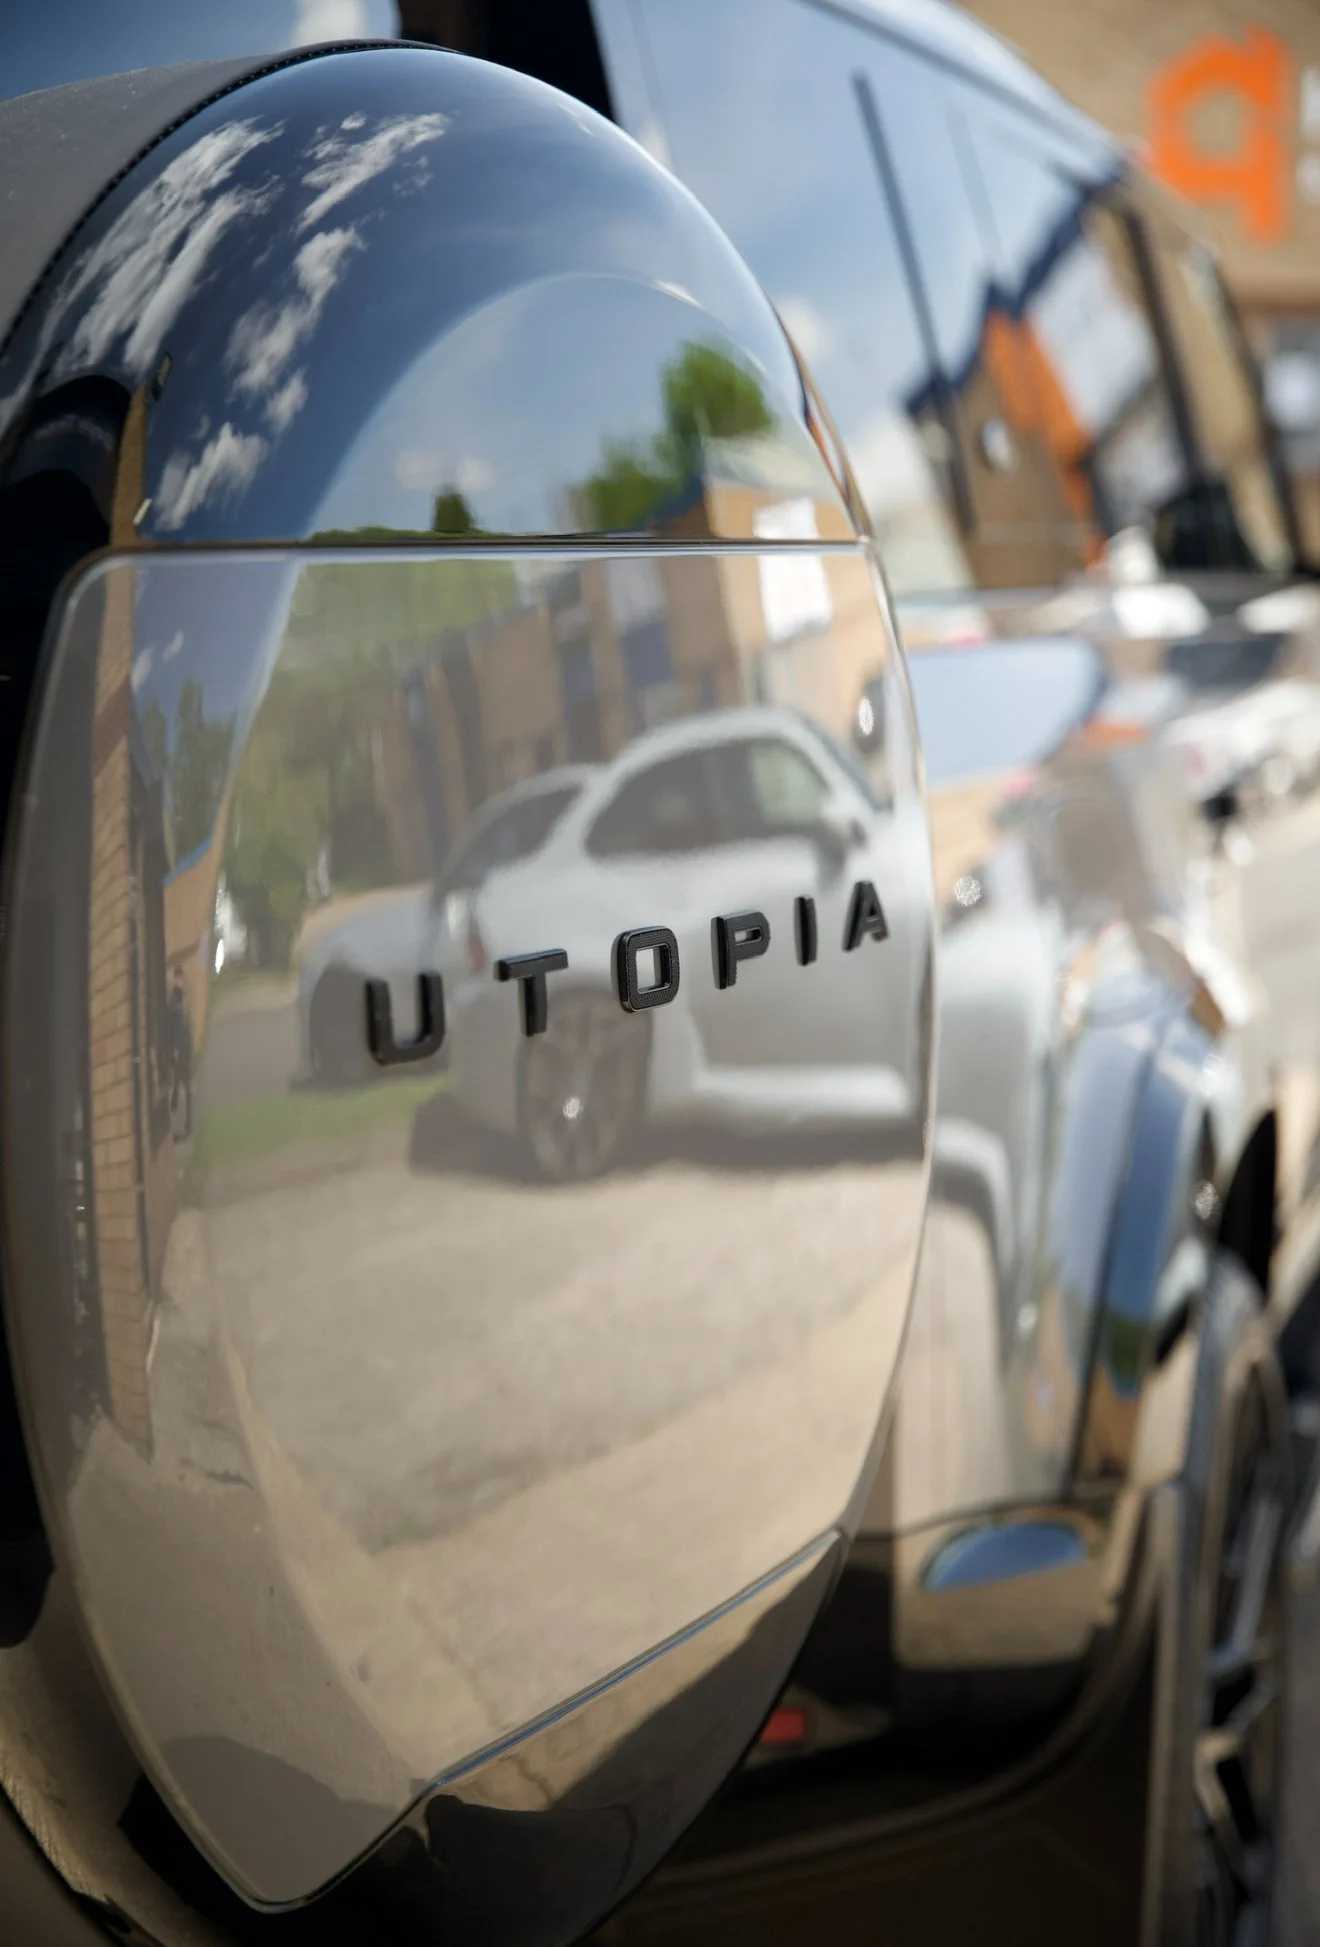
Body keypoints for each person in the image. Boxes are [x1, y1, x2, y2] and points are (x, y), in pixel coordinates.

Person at [167, 969, 192, 1139]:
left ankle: (186, 1125)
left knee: (183, 1087)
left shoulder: (181, 997)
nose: (180, 981)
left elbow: (184, 1024)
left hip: (184, 1048)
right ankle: (181, 1125)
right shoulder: (174, 1000)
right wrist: (175, 1048)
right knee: (180, 1087)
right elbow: (175, 1026)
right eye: (178, 978)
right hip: (179, 1049)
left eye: (181, 978)